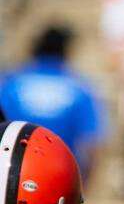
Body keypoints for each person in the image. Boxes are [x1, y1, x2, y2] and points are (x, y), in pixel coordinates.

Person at [0, 26, 106, 178]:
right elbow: (92, 144)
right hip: (59, 176)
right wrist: (83, 185)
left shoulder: (11, 83)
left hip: (12, 172)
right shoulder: (80, 88)